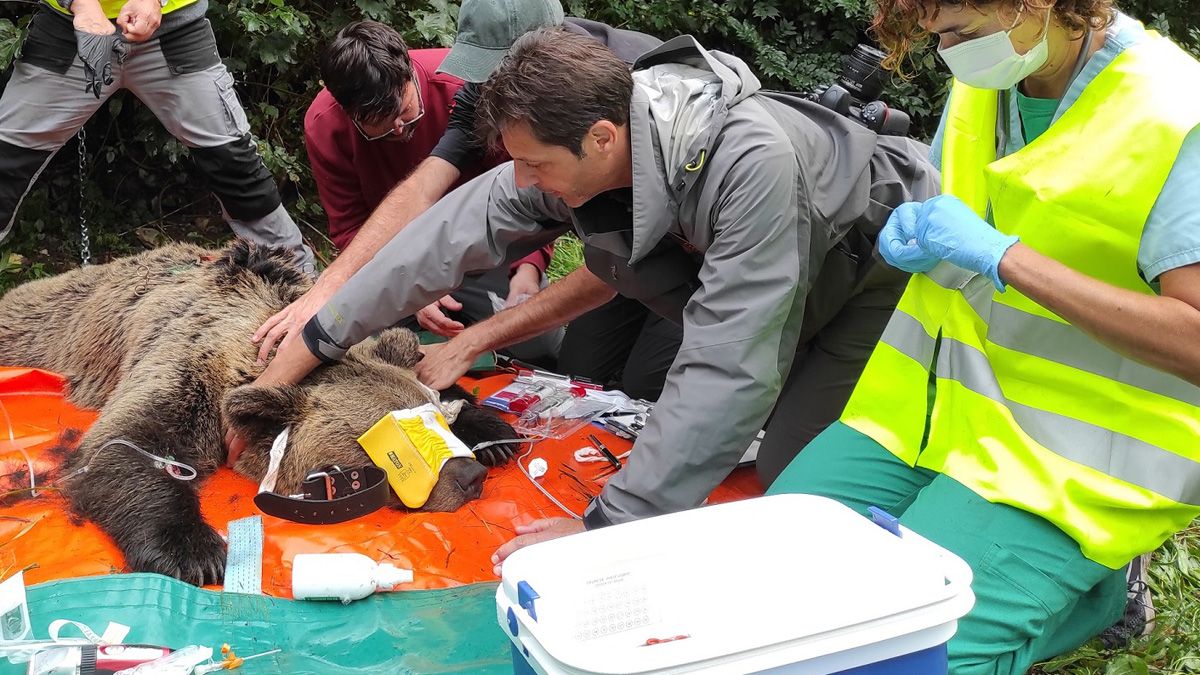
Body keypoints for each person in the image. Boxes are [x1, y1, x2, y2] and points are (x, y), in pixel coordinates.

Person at [240, 29, 939, 552]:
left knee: (794, 471)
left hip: (869, 275)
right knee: (686, 378)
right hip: (784, 279)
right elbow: (443, 235)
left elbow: (729, 365)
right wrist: (311, 343)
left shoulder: (750, 165)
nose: (522, 181)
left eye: (534, 165)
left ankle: (941, 498)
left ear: (602, 139)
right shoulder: (580, 145)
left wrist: (605, 526)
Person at [766, 0, 1200, 671]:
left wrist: (1004, 257)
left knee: (911, 652)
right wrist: (929, 242)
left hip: (1073, 457)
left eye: (961, 34)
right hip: (928, 411)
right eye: (937, 38)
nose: (950, 55)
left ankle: (1093, 590)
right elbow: (972, 222)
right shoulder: (987, 81)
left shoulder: (1177, 111)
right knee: (767, 573)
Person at [251, 0, 671, 390]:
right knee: (583, 374)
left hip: (688, 257)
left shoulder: (633, 99)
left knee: (647, 386)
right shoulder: (493, 87)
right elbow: (430, 187)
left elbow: (608, 269)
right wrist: (332, 289)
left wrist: (482, 329)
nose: (520, 177)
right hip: (602, 254)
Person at [304, 21, 561, 364]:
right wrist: (414, 289)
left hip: (484, 252)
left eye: (405, 113)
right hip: (391, 262)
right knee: (358, 356)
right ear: (347, 112)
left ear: (408, 71)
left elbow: (533, 185)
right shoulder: (324, 125)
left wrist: (528, 269)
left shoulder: (469, 86)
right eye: (380, 125)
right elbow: (350, 228)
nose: (398, 128)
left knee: (541, 345)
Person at [0, 0, 314, 271]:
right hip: (67, 31)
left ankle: (299, 280)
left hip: (174, 31)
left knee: (230, 157)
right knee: (5, 159)